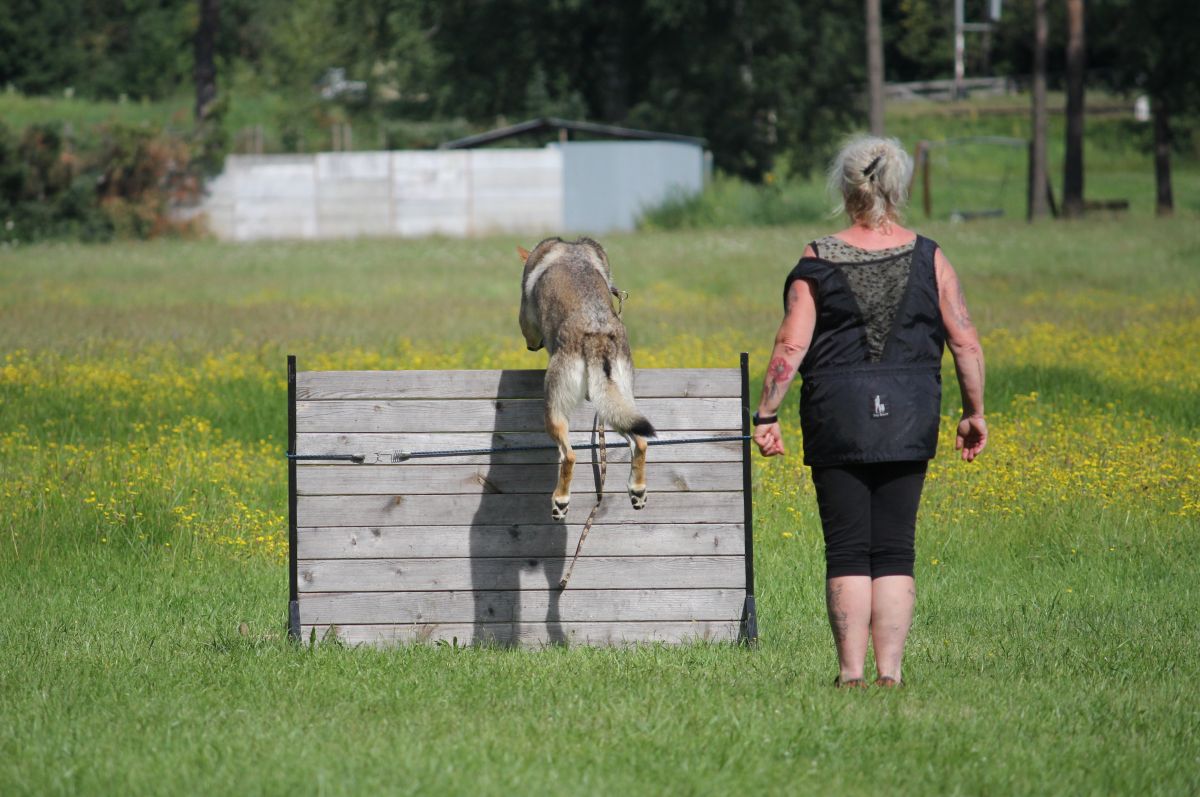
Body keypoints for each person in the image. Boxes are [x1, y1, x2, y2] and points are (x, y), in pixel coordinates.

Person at [752, 135, 987, 688]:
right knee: (895, 548)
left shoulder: (818, 259)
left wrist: (766, 414)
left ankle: (850, 674)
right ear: (898, 189)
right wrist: (974, 411)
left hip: (838, 414)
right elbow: (966, 342)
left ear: (846, 187)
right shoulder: (931, 257)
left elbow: (790, 347)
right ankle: (892, 675)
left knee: (848, 548)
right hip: (909, 413)